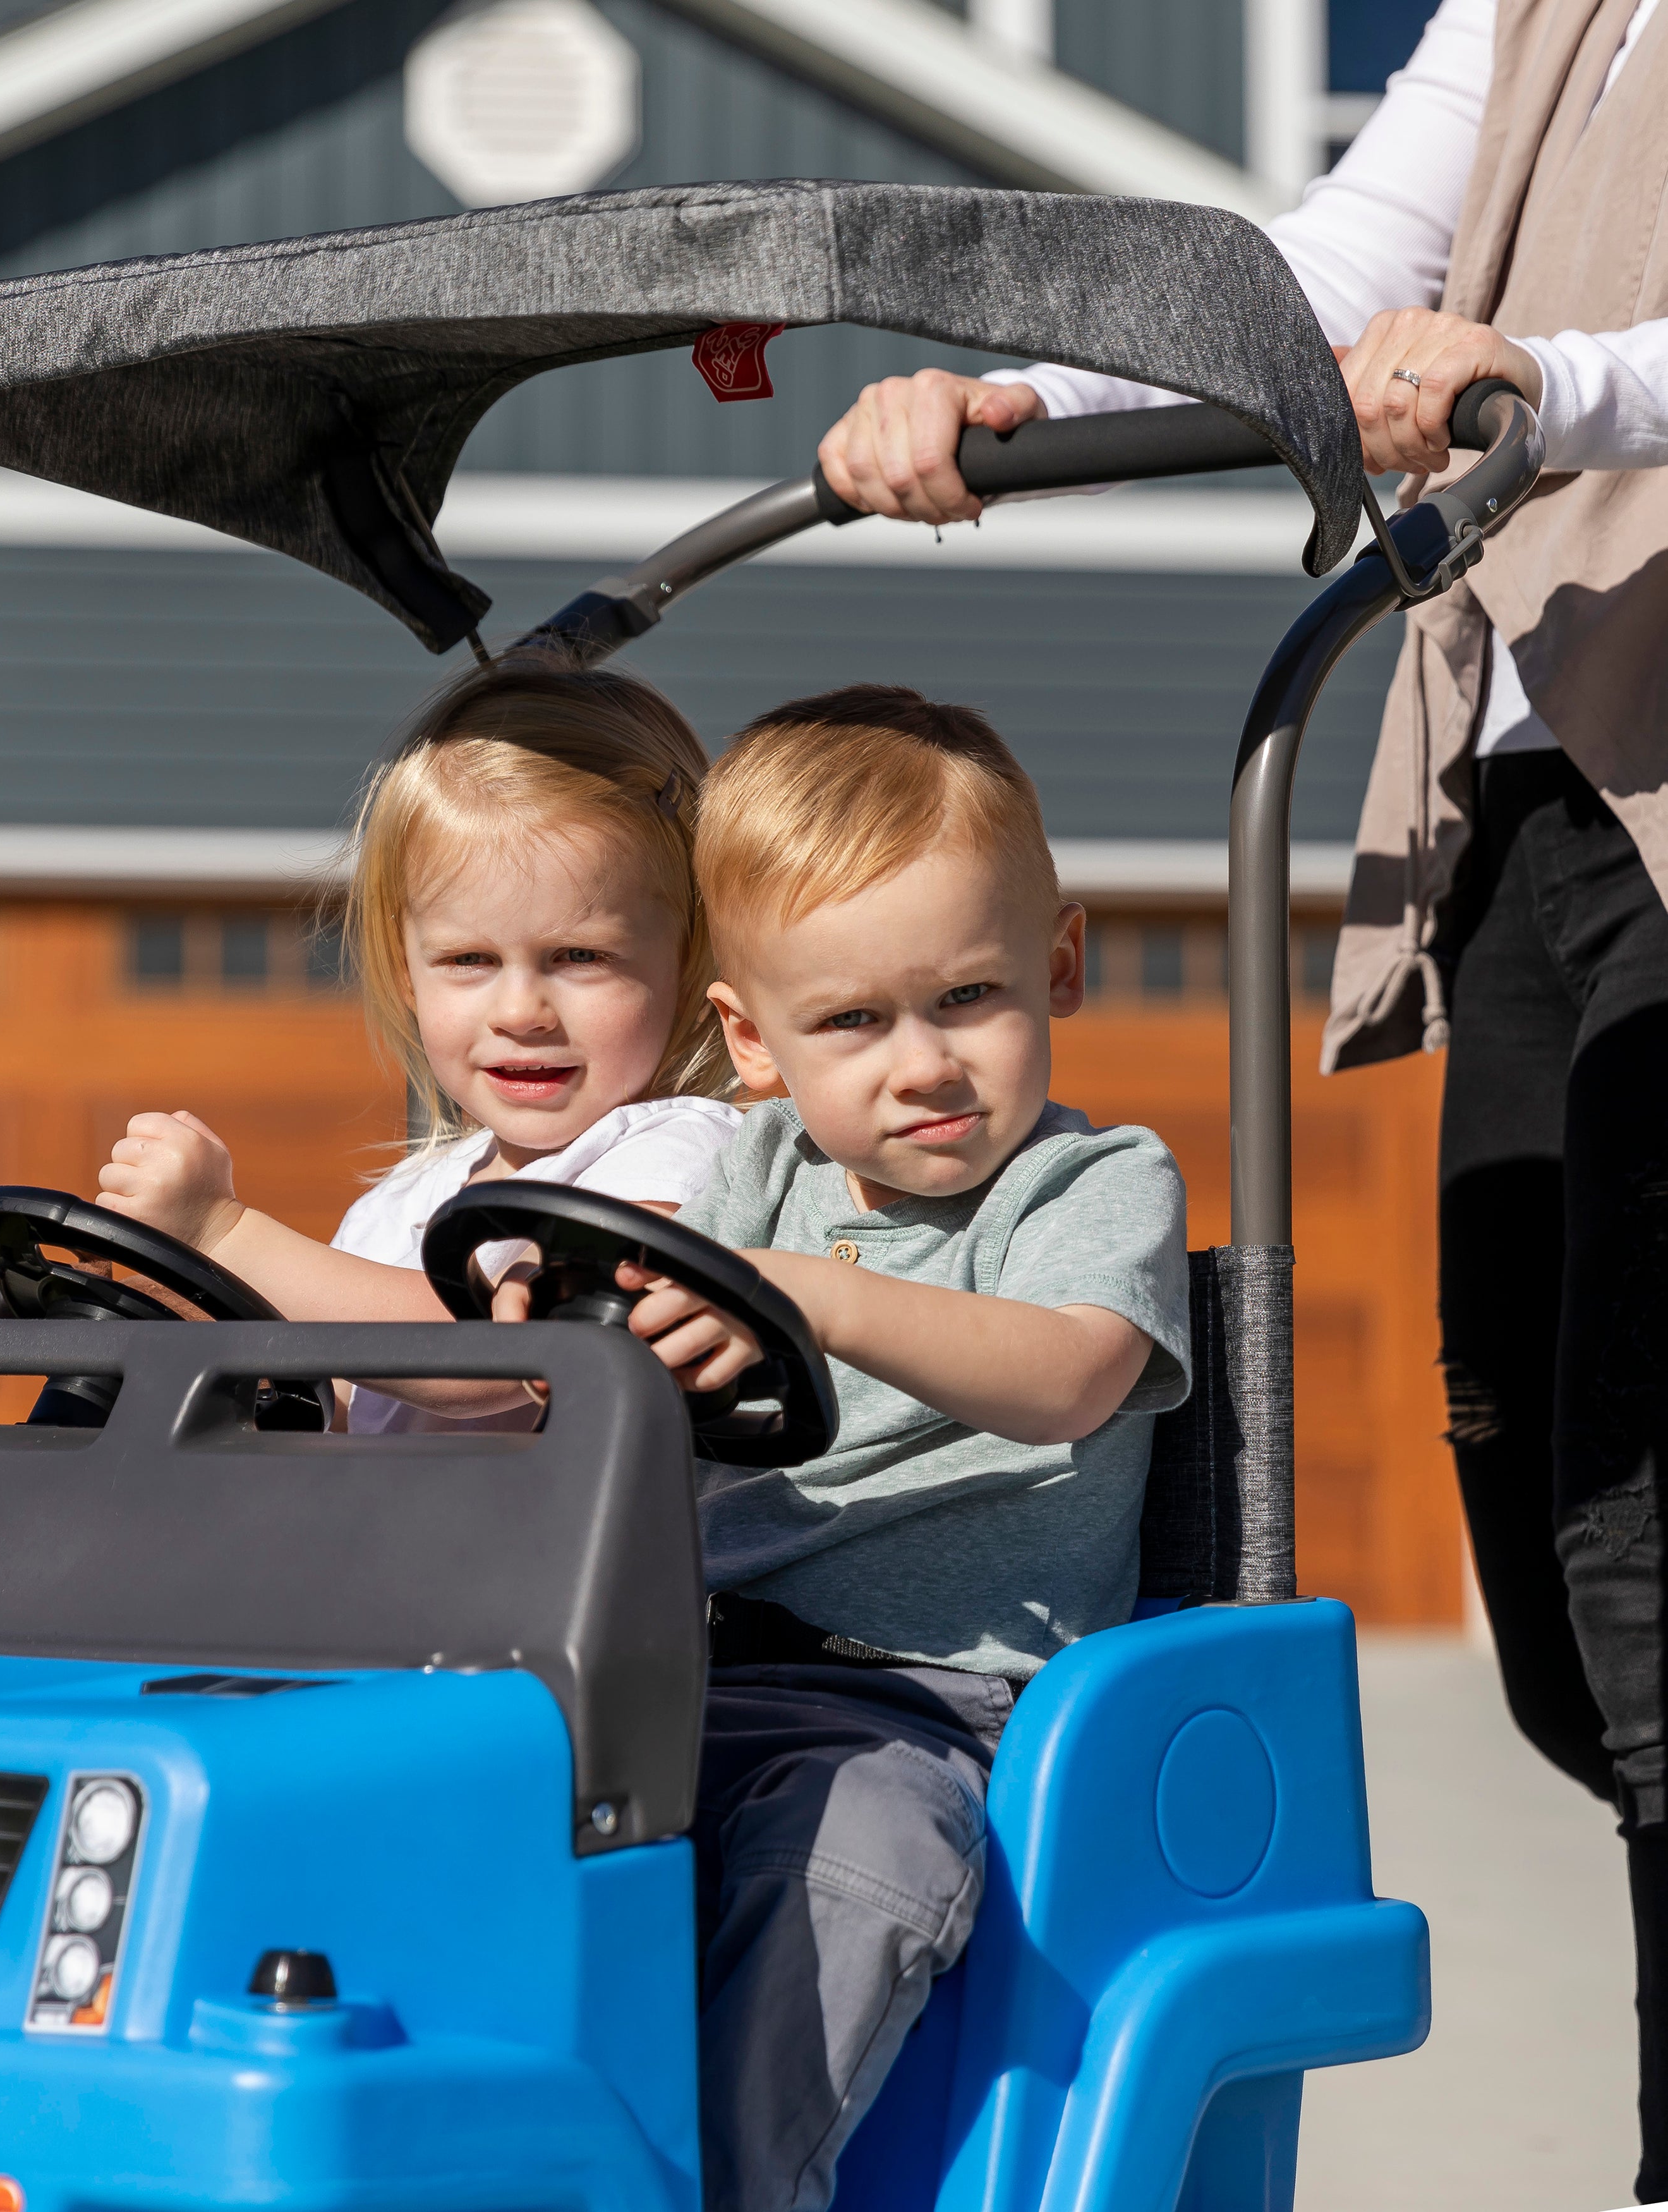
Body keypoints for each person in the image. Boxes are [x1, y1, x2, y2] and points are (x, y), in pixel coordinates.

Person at [816, 0, 1668, 2190]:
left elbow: (1510, 361)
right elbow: (1315, 272)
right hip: (1537, 802)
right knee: (1559, 1567)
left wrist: (1553, 384)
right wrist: (1024, 400)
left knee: (1653, 1544)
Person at [589, 686, 1191, 2211]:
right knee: (451, 1787)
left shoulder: (1089, 1184)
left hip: (934, 1710)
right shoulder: (759, 1173)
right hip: (693, 1675)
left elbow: (1071, 1375)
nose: (921, 1062)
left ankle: (742, 2191)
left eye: (969, 998)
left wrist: (817, 1298)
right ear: (753, 1042)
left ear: (1059, 964)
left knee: (863, 1850)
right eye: (853, 1021)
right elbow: (638, 1379)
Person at [94, 648, 740, 1428]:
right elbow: (330, 1412)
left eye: (580, 956)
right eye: (469, 960)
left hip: (569, 1547)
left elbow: (486, 1359)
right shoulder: (396, 1209)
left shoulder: (683, 1154)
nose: (522, 1010)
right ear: (407, 974)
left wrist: (222, 1231)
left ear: (689, 958)